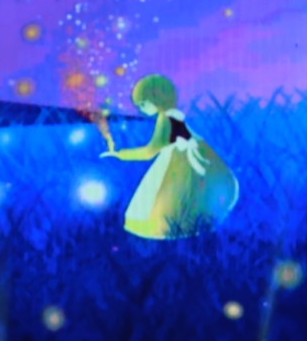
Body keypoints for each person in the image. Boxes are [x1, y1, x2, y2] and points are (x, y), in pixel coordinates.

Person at [101, 74, 238, 239]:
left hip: (179, 163)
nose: (141, 109)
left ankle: (176, 227)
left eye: (143, 104)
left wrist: (120, 154)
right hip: (186, 158)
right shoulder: (175, 115)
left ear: (156, 99)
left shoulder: (165, 119)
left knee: (167, 201)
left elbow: (150, 151)